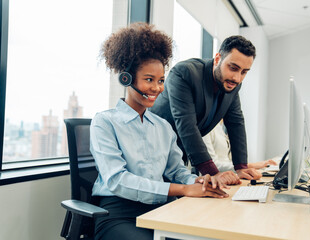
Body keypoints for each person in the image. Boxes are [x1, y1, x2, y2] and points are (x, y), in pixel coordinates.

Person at [90, 23, 228, 240]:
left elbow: (176, 171)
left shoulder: (163, 126)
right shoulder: (104, 122)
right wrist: (181, 190)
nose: (157, 88)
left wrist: (198, 181)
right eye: (149, 80)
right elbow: (118, 180)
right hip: (118, 215)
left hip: (161, 211)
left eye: (161, 80)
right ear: (126, 78)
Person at [150, 35, 261, 184]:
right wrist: (213, 173)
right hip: (153, 150)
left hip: (179, 156)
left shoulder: (233, 84)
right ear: (217, 59)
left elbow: (236, 122)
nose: (237, 78)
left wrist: (241, 167)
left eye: (244, 72)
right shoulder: (185, 73)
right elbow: (186, 124)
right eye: (233, 68)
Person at [203, 120, 277, 172]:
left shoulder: (221, 126)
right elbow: (213, 165)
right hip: (216, 179)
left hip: (231, 176)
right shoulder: (206, 128)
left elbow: (229, 160)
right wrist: (250, 165)